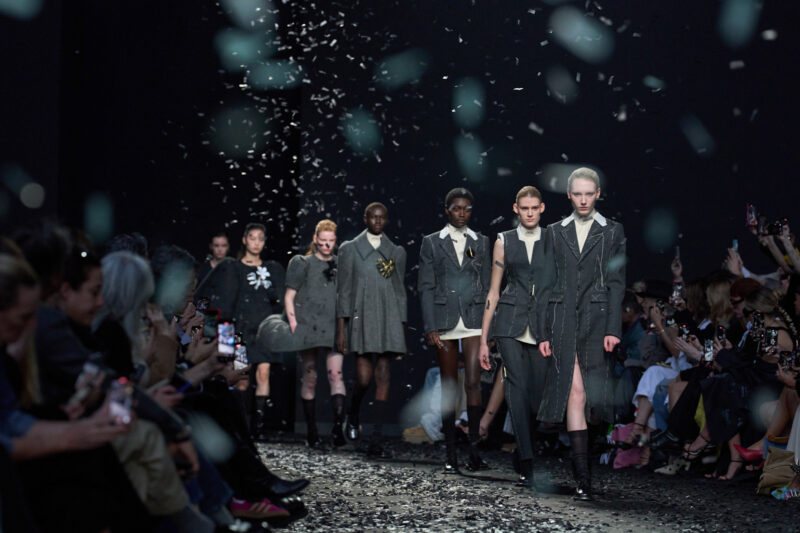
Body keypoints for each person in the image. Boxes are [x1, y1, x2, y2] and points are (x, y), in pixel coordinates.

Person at [537, 167, 626, 501]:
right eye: (578, 194)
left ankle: (584, 466)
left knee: (591, 400)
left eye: (589, 193)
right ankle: (583, 478)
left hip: (596, 320)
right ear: (569, 195)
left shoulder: (613, 231)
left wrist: (613, 328)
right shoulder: (554, 232)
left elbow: (617, 282)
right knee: (575, 394)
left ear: (598, 194)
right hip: (561, 318)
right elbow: (545, 284)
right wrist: (543, 331)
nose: (584, 200)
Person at [477, 185, 553, 486]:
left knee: (535, 395)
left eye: (534, 208)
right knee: (517, 387)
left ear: (542, 208)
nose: (530, 213)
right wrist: (483, 339)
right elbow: (493, 292)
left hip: (541, 325)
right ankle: (529, 461)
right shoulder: (504, 241)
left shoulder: (553, 240)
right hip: (509, 323)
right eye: (525, 209)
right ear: (516, 209)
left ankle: (522, 450)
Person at [418, 187, 491, 472]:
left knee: (473, 382)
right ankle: (450, 453)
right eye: (457, 208)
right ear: (447, 210)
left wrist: (488, 327)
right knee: (449, 386)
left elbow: (486, 285)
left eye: (467, 209)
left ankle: (473, 451)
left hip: (473, 318)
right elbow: (426, 286)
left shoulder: (481, 241)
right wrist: (430, 326)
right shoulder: (432, 242)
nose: (462, 213)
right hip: (444, 319)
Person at [196, 223, 286, 440]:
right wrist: (222, 335)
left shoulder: (272, 269)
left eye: (260, 239)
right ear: (245, 240)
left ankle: (258, 428)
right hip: (240, 329)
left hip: (264, 329)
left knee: (263, 373)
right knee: (241, 378)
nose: (256, 243)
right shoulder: (233, 268)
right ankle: (241, 426)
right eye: (252, 238)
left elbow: (279, 301)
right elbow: (223, 301)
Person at [336, 202, 407, 458]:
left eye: (382, 217)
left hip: (388, 318)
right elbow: (344, 290)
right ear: (365, 219)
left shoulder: (395, 252)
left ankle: (376, 438)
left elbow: (399, 291)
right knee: (364, 378)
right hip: (362, 317)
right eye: (373, 217)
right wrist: (341, 329)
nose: (378, 221)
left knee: (383, 375)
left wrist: (401, 329)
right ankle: (353, 413)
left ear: (386, 220)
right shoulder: (350, 249)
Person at [283, 219, 346, 449]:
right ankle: (311, 431)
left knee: (335, 375)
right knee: (310, 377)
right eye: (323, 241)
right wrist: (293, 323)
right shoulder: (303, 263)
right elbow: (289, 295)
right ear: (315, 240)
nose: (327, 245)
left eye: (331, 241)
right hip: (308, 325)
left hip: (333, 326)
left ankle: (338, 429)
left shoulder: (340, 265)